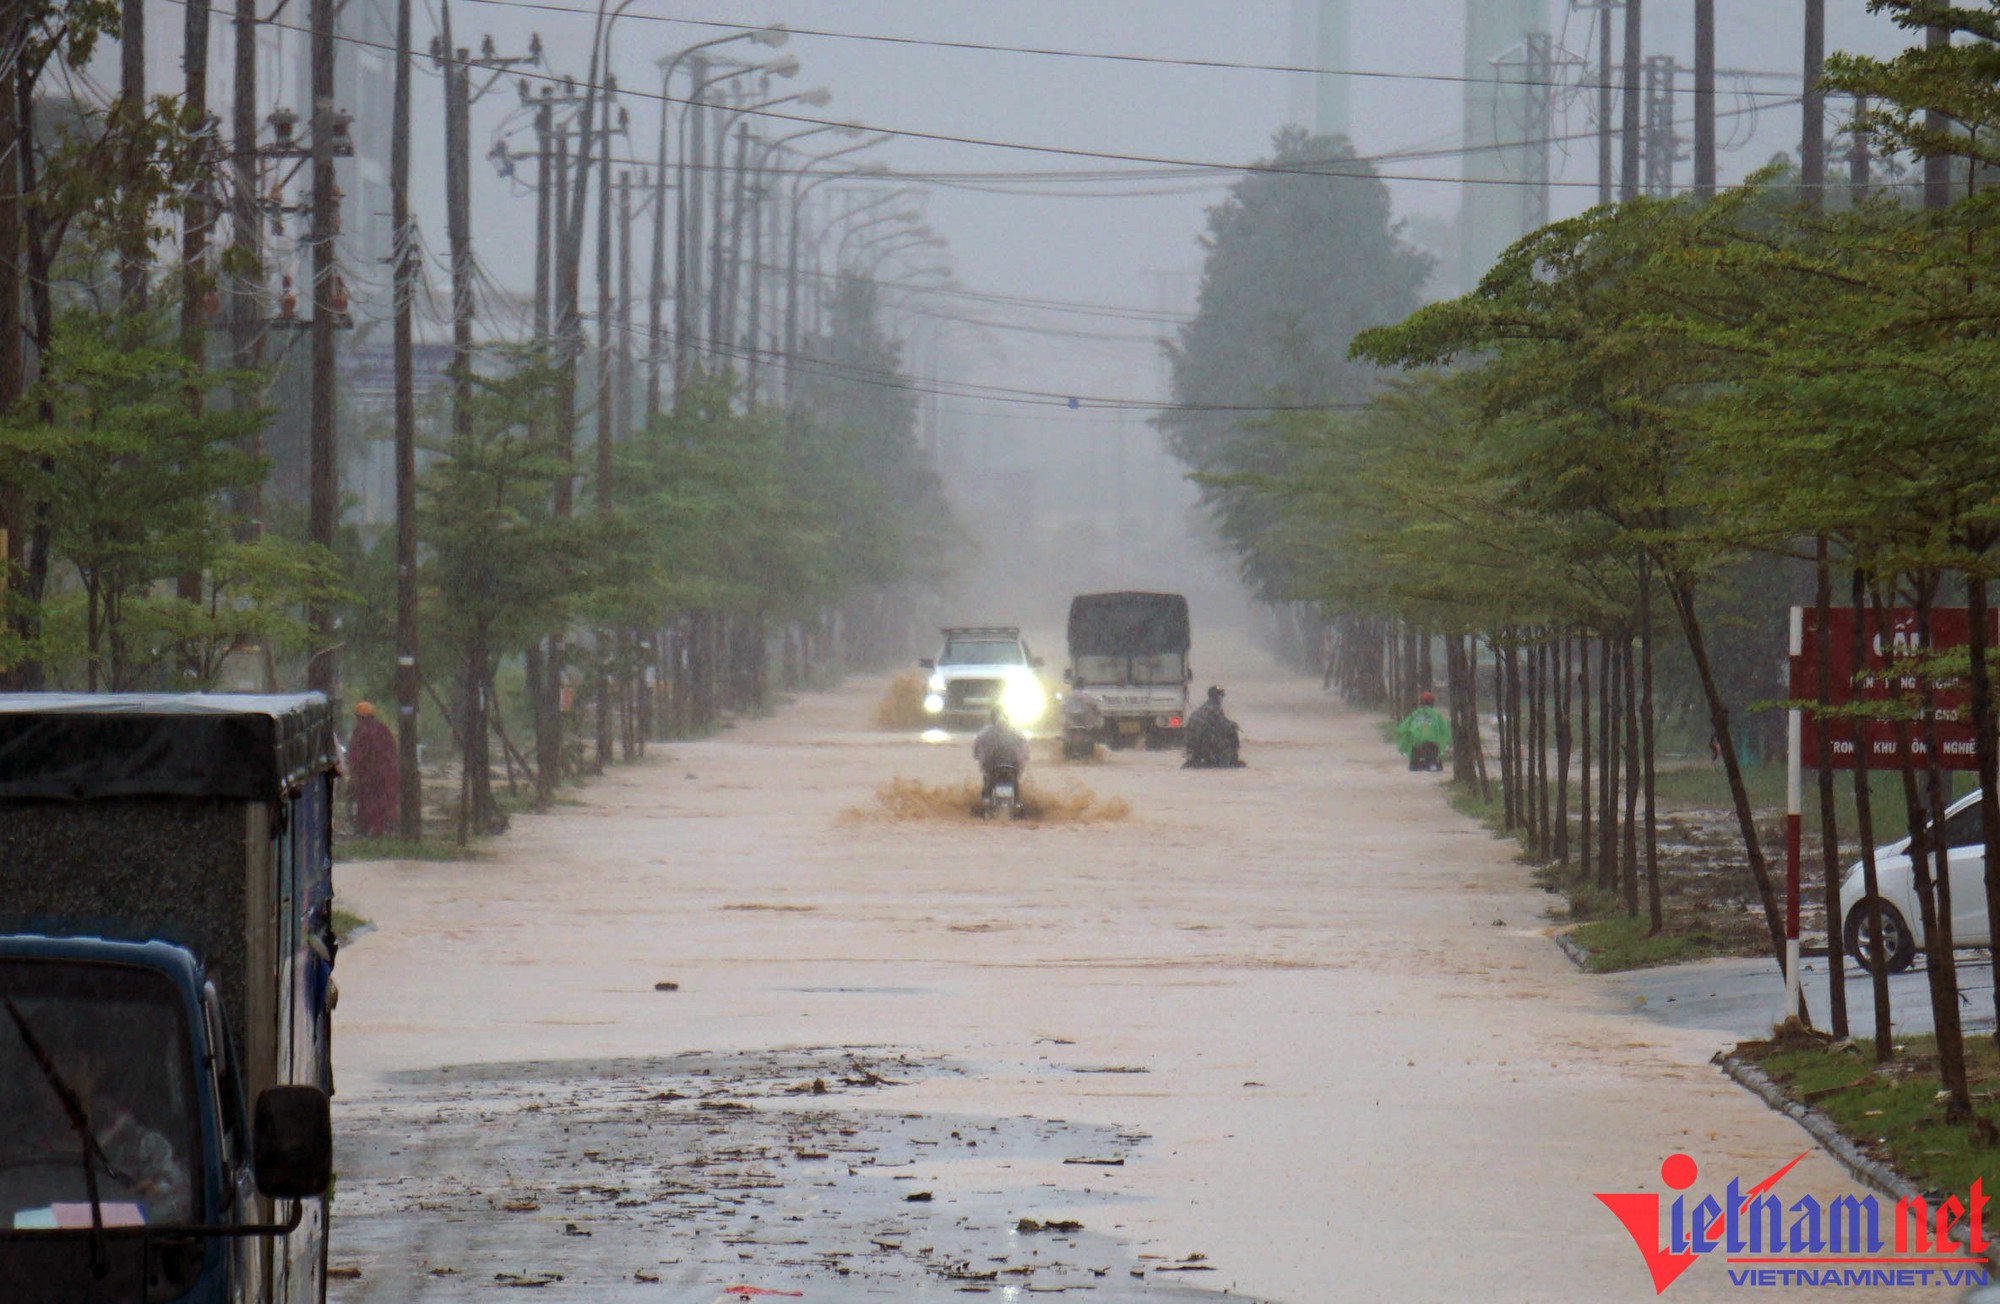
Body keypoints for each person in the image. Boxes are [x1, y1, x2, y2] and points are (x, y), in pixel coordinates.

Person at [346, 701, 401, 838]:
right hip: (387, 775)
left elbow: (356, 756)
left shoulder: (361, 732)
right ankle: (381, 829)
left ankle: (371, 830)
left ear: (360, 717)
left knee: (369, 804)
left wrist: (354, 774)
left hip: (370, 777)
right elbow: (392, 752)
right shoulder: (383, 730)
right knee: (383, 804)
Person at [973, 707, 1030, 797]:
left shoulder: (983, 734)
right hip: (1013, 769)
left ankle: (986, 799)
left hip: (990, 768)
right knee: (1016, 784)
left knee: (987, 784)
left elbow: (976, 753)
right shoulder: (1017, 734)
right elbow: (1026, 754)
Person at [1183, 686, 1244, 768]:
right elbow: (1224, 725)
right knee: (1231, 733)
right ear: (1217, 697)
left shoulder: (1202, 708)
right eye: (1221, 696)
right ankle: (1230, 761)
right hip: (1202, 742)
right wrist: (1234, 725)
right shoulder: (1214, 708)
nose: (1222, 699)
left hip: (1191, 743)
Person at [1396, 691, 1452, 772]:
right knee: (1435, 768)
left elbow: (1403, 729)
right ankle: (1432, 765)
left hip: (1417, 747)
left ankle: (1422, 764)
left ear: (1421, 702)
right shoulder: (1437, 715)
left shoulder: (1414, 714)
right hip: (1432, 747)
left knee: (1413, 768)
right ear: (1432, 703)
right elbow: (1445, 730)